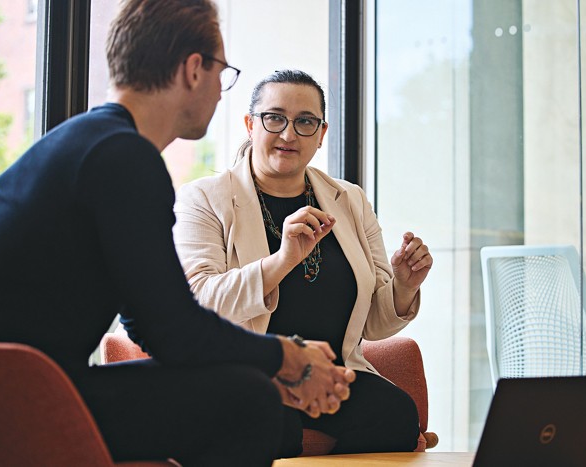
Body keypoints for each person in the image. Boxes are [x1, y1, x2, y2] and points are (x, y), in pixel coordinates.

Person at [0, 3, 354, 466]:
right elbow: (173, 330)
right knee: (247, 402)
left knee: (249, 390)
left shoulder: (93, 142)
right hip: (6, 399)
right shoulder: (124, 157)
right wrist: (285, 356)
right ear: (193, 69)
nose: (222, 91)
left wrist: (262, 360)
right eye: (223, 71)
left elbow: (148, 320)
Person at [171, 69, 433, 457]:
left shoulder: (350, 200)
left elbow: (374, 325)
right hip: (250, 373)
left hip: (332, 373)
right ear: (250, 125)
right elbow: (199, 298)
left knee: (393, 413)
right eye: (274, 118)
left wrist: (403, 285)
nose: (288, 134)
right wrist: (282, 261)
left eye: (305, 122)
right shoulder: (204, 198)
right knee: (268, 419)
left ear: (322, 134)